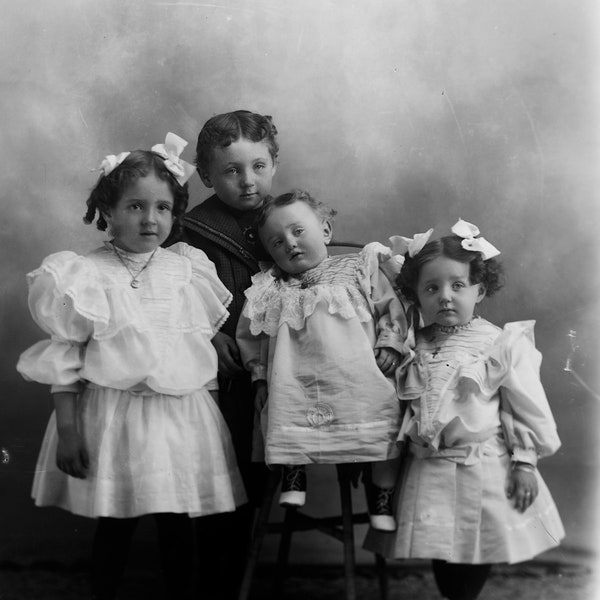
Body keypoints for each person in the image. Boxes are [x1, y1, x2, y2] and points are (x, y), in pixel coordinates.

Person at [16, 134, 246, 600]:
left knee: (178, 520)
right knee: (114, 524)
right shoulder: (85, 273)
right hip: (113, 417)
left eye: (163, 208)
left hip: (179, 417)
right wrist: (69, 429)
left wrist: (212, 350)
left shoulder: (186, 268)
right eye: (136, 207)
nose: (150, 219)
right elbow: (68, 356)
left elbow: (191, 343)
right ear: (108, 209)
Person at [363, 219, 565, 600]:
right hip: (428, 466)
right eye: (431, 288)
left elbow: (523, 408)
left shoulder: (499, 344)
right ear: (416, 295)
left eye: (458, 286)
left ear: (480, 289)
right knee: (443, 548)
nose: (445, 296)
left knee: (473, 548)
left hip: (482, 466)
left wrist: (524, 462)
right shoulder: (412, 344)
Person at [236, 189, 417, 531]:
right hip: (296, 379)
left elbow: (389, 307)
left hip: (357, 375)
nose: (289, 243)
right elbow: (255, 336)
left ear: (326, 232)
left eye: (298, 231)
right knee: (283, 406)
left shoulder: (360, 267)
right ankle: (294, 471)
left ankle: (381, 497)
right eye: (276, 242)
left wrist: (391, 342)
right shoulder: (272, 286)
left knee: (385, 422)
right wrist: (259, 376)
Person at [170, 110, 278, 599]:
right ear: (208, 176)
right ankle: (216, 585)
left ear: (273, 163)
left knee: (259, 479)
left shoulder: (287, 221)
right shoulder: (189, 232)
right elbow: (172, 297)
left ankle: (245, 579)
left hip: (279, 373)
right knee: (220, 482)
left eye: (258, 166)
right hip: (221, 377)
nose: (247, 181)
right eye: (231, 171)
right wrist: (211, 336)